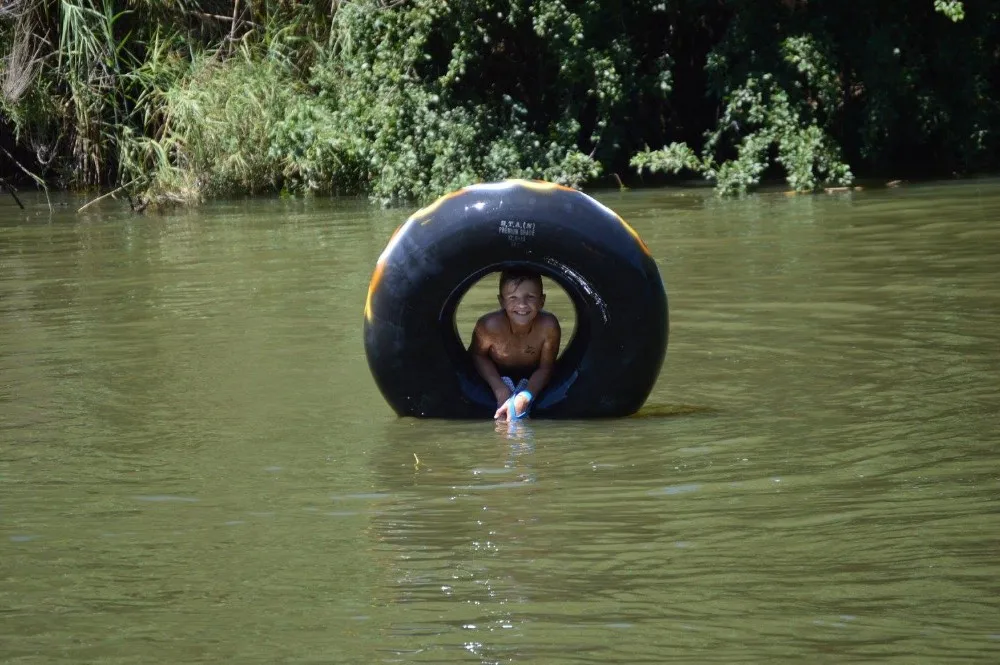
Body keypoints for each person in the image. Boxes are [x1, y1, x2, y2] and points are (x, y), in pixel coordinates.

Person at [470, 269, 561, 420]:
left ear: (542, 301)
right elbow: (478, 356)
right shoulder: (489, 326)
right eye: (513, 297)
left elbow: (546, 367)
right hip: (494, 376)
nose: (522, 304)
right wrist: (499, 389)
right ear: (501, 302)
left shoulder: (548, 327)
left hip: (531, 376)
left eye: (530, 297)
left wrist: (526, 396)